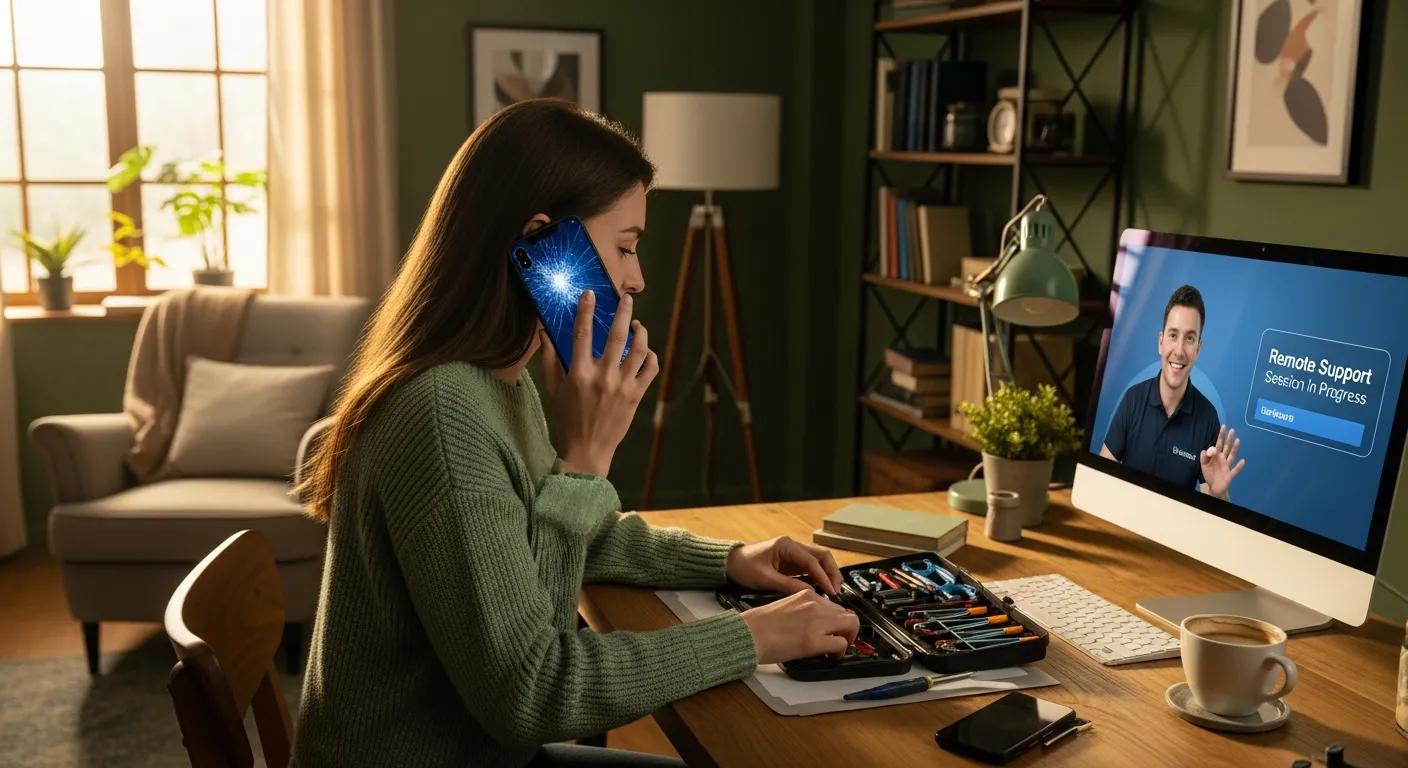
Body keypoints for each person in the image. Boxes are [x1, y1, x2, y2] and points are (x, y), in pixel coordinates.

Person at [290, 99, 859, 768]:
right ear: (541, 242)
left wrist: (729, 561)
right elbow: (535, 694)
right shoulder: (441, 414)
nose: (637, 277)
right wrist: (749, 636)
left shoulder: (496, 381)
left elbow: (556, 530)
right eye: (625, 246)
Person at [1099, 284, 1246, 500]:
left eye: (1189, 338)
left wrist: (1218, 493)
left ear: (1198, 349)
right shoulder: (1133, 399)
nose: (1179, 351)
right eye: (1173, 335)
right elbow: (1101, 480)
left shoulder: (1207, 418)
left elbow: (1212, 515)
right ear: (1161, 341)